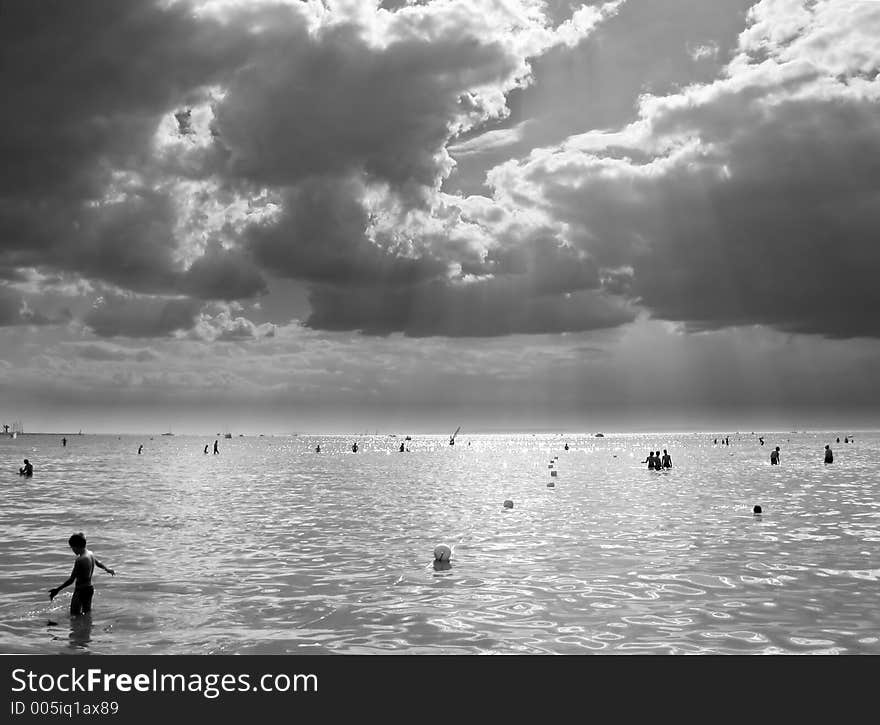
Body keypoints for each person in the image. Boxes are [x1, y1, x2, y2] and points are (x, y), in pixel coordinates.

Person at [48, 532, 115, 617]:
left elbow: (71, 580)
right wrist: (107, 569)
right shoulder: (90, 554)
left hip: (80, 590)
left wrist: (57, 590)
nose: (72, 550)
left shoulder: (80, 560)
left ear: (76, 546)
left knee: (74, 614)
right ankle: (86, 627)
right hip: (89, 589)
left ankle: (79, 628)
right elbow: (98, 563)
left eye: (72, 548)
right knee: (86, 612)